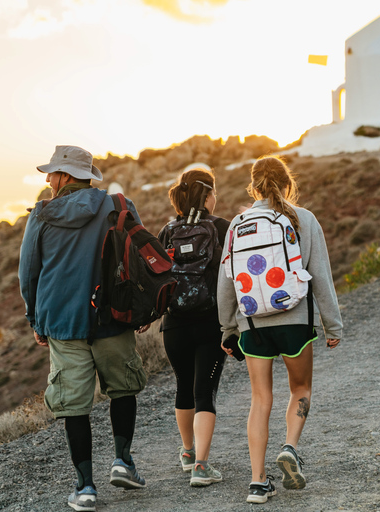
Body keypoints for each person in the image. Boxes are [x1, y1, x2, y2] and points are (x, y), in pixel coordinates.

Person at [19, 145, 148, 512]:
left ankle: (85, 487)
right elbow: (136, 258)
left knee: (74, 405)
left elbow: (28, 273)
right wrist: (138, 311)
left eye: (52, 173)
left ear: (64, 177)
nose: (47, 180)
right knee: (123, 389)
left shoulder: (41, 215)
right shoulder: (117, 205)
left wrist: (35, 319)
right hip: (111, 317)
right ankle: (123, 462)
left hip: (62, 323)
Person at [217, 155, 343, 504]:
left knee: (260, 399)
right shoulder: (303, 219)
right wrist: (332, 325)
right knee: (300, 387)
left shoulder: (238, 223)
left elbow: (225, 284)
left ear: (253, 186)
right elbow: (321, 275)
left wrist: (228, 328)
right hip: (294, 321)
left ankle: (258, 483)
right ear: (288, 184)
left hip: (253, 324)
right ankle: (289, 447)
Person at [157, 165, 230, 487]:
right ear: (209, 194)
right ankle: (201, 466)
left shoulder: (167, 230)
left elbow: (157, 276)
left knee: (183, 387)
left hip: (173, 325)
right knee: (205, 393)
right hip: (209, 323)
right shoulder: (222, 227)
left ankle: (188, 453)